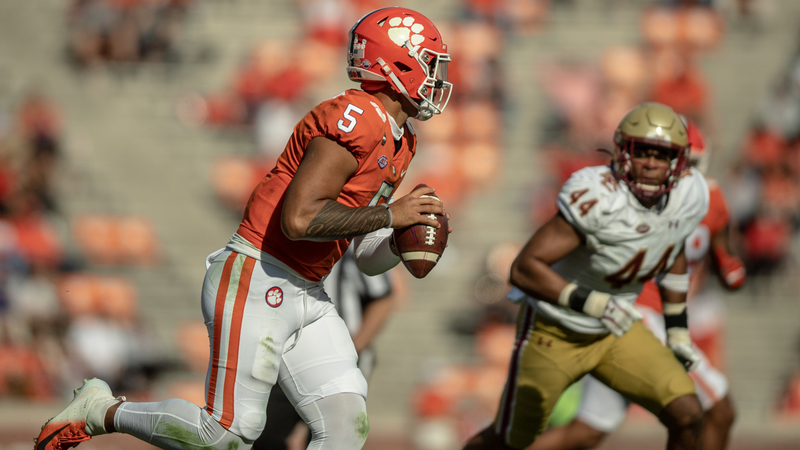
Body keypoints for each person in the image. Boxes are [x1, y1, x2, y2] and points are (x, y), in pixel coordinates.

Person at [35, 7, 452, 450]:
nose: (436, 78)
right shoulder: (358, 117)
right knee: (224, 436)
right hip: (257, 275)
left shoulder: (401, 140)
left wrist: (399, 241)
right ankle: (101, 409)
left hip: (306, 290)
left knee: (347, 425)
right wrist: (392, 215)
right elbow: (299, 219)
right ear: (396, 63)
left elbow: (365, 259)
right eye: (428, 63)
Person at [462, 102, 709, 450]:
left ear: (679, 162)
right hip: (555, 329)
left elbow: (675, 252)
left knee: (688, 412)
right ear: (624, 152)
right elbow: (524, 268)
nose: (652, 163)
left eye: (662, 154)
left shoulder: (690, 194)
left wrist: (678, 331)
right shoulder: (599, 195)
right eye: (643, 152)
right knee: (510, 439)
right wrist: (593, 303)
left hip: (615, 330)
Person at [526, 120, 746, 450]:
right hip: (639, 311)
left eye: (694, 166)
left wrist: (731, 266)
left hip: (658, 314)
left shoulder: (711, 200)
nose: (688, 177)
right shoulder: (636, 198)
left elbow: (723, 254)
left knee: (587, 431)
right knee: (718, 408)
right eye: (683, 167)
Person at [252, 246, 396, 450]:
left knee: (333, 435)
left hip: (337, 361)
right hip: (287, 356)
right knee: (265, 433)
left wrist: (353, 349)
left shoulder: (352, 249)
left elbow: (383, 299)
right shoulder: (282, 247)